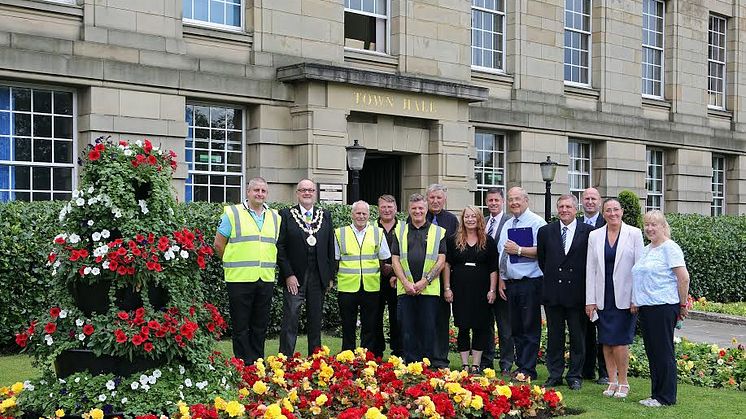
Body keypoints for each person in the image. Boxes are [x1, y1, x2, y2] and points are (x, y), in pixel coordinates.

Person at [213, 177, 280, 365]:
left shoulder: (275, 217)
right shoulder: (232, 213)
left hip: (264, 278)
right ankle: (242, 363)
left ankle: (257, 361)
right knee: (241, 325)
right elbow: (219, 244)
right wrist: (231, 261)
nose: (260, 194)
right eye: (256, 190)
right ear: (248, 192)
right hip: (238, 279)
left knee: (260, 325)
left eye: (263, 191)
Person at [585, 198, 644, 398]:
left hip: (626, 298)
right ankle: (611, 381)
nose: (612, 214)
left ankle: (624, 382)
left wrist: (637, 298)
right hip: (603, 298)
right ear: (603, 214)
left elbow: (639, 269)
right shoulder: (594, 236)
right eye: (608, 210)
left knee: (620, 343)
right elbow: (590, 270)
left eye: (616, 210)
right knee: (606, 342)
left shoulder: (634, 234)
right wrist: (590, 300)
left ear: (622, 211)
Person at [631, 210, 690, 407]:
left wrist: (682, 305)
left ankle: (666, 397)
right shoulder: (648, 249)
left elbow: (683, 278)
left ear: (663, 226)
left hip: (663, 306)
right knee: (653, 352)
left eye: (654, 224)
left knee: (663, 352)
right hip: (647, 308)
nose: (649, 228)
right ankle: (656, 394)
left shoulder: (670, 248)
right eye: (646, 224)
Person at [537, 194, 593, 390]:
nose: (564, 210)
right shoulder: (545, 231)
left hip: (577, 294)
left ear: (576, 209)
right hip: (553, 293)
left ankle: (575, 375)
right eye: (561, 207)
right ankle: (555, 374)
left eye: (568, 206)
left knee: (578, 337)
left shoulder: (588, 231)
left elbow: (591, 263)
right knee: (555, 337)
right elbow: (543, 261)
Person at [277, 179, 335, 357]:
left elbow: (330, 247)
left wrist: (330, 276)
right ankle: (284, 359)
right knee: (291, 318)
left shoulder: (325, 215)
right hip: (295, 277)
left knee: (315, 319)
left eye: (310, 190)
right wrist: (288, 274)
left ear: (315, 193)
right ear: (297, 193)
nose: (307, 193)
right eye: (303, 190)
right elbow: (280, 247)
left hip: (318, 276)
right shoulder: (286, 215)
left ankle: (315, 359)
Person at [497, 187, 547, 380]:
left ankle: (529, 369)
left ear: (526, 201)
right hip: (511, 283)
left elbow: (542, 251)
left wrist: (518, 250)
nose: (514, 203)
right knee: (516, 327)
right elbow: (502, 254)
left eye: (517, 199)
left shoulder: (537, 223)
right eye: (510, 199)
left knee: (529, 327)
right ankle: (521, 366)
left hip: (530, 283)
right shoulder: (508, 224)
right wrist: (502, 278)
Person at [391, 193, 446, 364]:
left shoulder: (438, 232)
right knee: (407, 329)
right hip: (405, 289)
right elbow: (395, 259)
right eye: (414, 208)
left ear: (426, 209)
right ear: (409, 210)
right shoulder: (399, 230)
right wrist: (406, 283)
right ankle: (411, 365)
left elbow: (441, 260)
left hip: (429, 290)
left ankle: (426, 364)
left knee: (428, 329)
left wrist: (425, 281)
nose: (417, 211)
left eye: (421, 208)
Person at [443, 206, 498, 373]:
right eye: (467, 216)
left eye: (473, 216)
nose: (470, 219)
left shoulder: (488, 241)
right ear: (463, 219)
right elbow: (447, 265)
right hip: (460, 289)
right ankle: (465, 364)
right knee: (463, 326)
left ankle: (476, 364)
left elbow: (493, 268)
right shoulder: (453, 240)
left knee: (480, 326)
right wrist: (447, 287)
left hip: (481, 290)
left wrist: (492, 290)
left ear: (479, 219)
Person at [334, 200, 391, 356]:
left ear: (369, 215)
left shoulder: (377, 233)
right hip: (347, 286)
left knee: (369, 324)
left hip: (371, 286)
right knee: (347, 324)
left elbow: (384, 258)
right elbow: (335, 259)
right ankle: (347, 354)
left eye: (364, 213)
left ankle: (367, 355)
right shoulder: (340, 233)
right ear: (352, 214)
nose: (361, 216)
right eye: (358, 213)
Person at [479, 187, 514, 374]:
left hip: (502, 281)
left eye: (496, 200)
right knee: (485, 323)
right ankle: (486, 360)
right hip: (483, 281)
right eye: (490, 200)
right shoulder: (482, 223)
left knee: (504, 325)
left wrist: (502, 277)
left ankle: (507, 362)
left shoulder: (510, 222)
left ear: (502, 202)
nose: (493, 203)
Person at [425, 184, 459, 369]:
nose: (435, 201)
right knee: (425, 319)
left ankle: (441, 359)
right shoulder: (420, 216)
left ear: (444, 199)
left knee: (441, 319)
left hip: (445, 277)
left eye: (439, 198)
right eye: (432, 198)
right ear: (427, 199)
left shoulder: (451, 220)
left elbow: (454, 249)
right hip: (422, 279)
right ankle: (425, 356)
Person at [579, 187, 609, 385]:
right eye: (586, 198)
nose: (590, 202)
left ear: (599, 202)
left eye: (593, 199)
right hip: (579, 286)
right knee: (583, 331)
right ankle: (586, 369)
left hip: (602, 287)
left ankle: (605, 372)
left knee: (603, 330)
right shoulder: (575, 222)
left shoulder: (607, 224)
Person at [373, 194, 402, 358]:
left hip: (397, 280)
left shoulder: (404, 227)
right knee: (374, 317)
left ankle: (398, 352)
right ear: (378, 209)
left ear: (396, 209)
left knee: (397, 317)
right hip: (375, 279)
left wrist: (396, 272)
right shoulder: (371, 228)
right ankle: (376, 352)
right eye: (383, 207)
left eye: (390, 207)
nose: (386, 210)